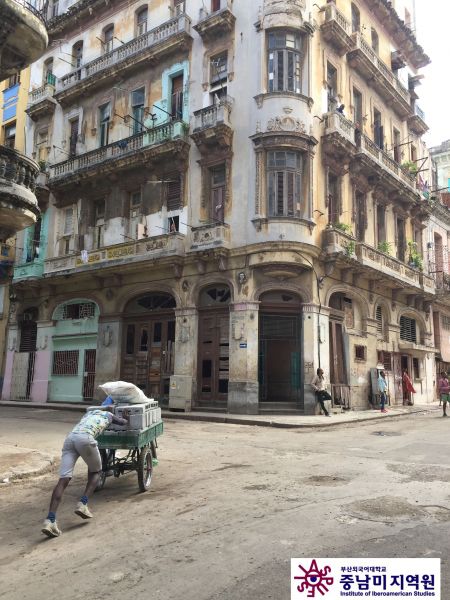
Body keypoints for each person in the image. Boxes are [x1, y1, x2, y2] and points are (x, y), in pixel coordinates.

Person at [41, 405, 129, 538]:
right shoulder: (109, 416)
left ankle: (50, 520)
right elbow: (122, 422)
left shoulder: (89, 414)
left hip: (70, 439)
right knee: (96, 472)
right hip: (86, 439)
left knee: (63, 479)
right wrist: (126, 418)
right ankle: (82, 503)